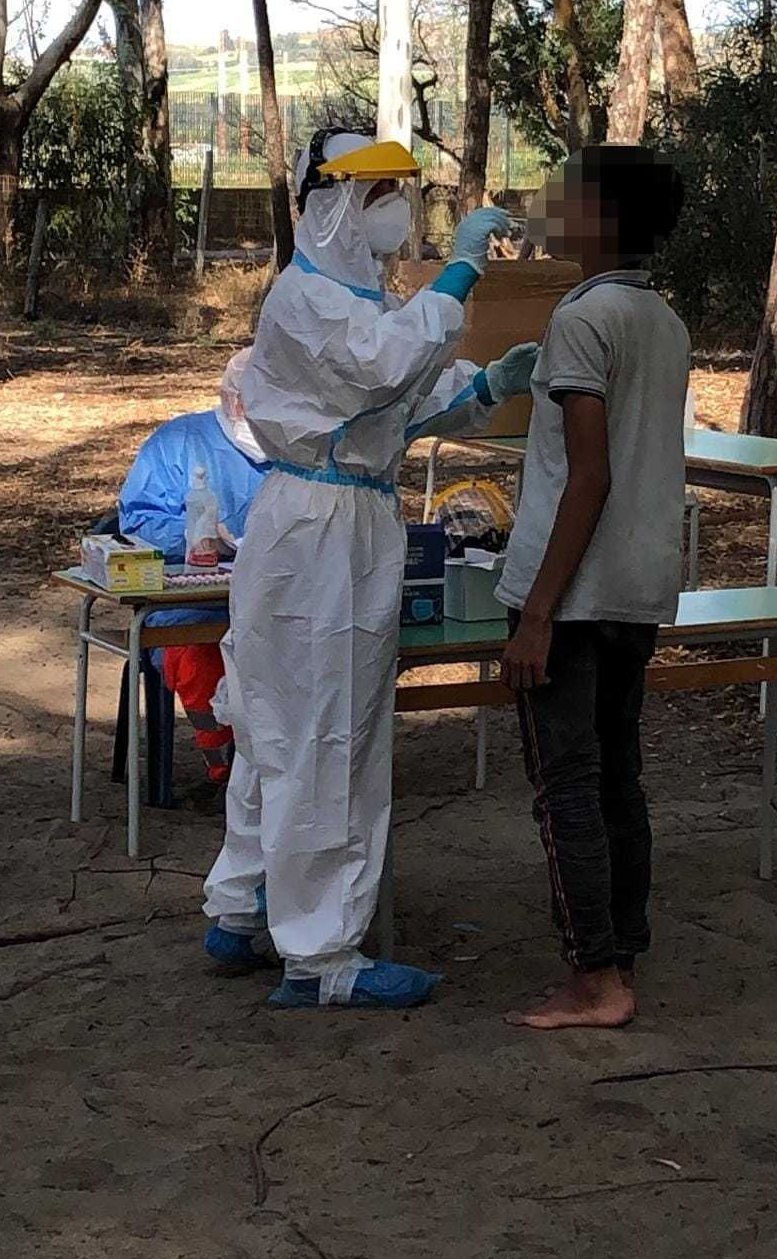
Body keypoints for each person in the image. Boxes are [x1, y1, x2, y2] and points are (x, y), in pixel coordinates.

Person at [203, 129, 539, 1006]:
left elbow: (394, 399)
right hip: (324, 534)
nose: (402, 210)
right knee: (329, 735)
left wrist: (485, 386)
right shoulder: (308, 301)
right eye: (386, 193)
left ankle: (242, 907)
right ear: (341, 203)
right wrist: (462, 272)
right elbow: (385, 364)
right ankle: (321, 959)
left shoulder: (347, 300)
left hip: (317, 523)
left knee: (276, 722)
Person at [497, 144, 690, 1031]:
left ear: (602, 218)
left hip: (574, 596)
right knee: (618, 779)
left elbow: (588, 475)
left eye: (565, 198)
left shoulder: (582, 321)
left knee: (566, 785)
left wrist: (536, 611)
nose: (550, 208)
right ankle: (623, 954)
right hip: (636, 587)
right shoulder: (662, 319)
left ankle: (595, 979)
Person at [119, 350, 272, 786]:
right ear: (232, 400)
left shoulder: (300, 448)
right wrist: (195, 535)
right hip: (194, 605)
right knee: (200, 652)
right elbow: (138, 519)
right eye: (254, 403)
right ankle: (226, 763)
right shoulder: (178, 442)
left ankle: (287, 765)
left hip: (276, 598)